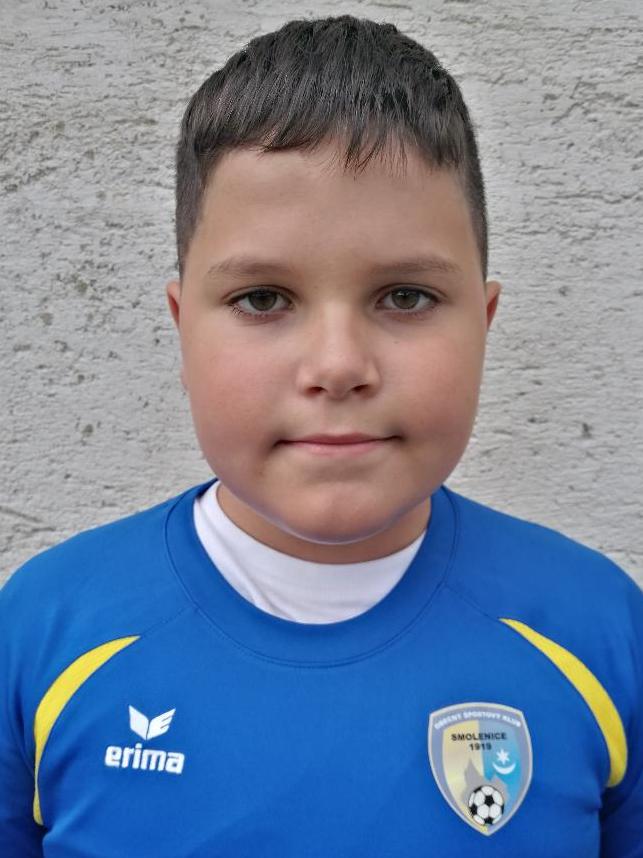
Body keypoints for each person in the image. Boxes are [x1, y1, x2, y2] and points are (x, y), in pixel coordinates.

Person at [1, 13, 641, 857]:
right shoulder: (45, 630)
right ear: (181, 328)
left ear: (483, 324)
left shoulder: (599, 632)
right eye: (262, 299)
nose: (338, 366)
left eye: (405, 297)